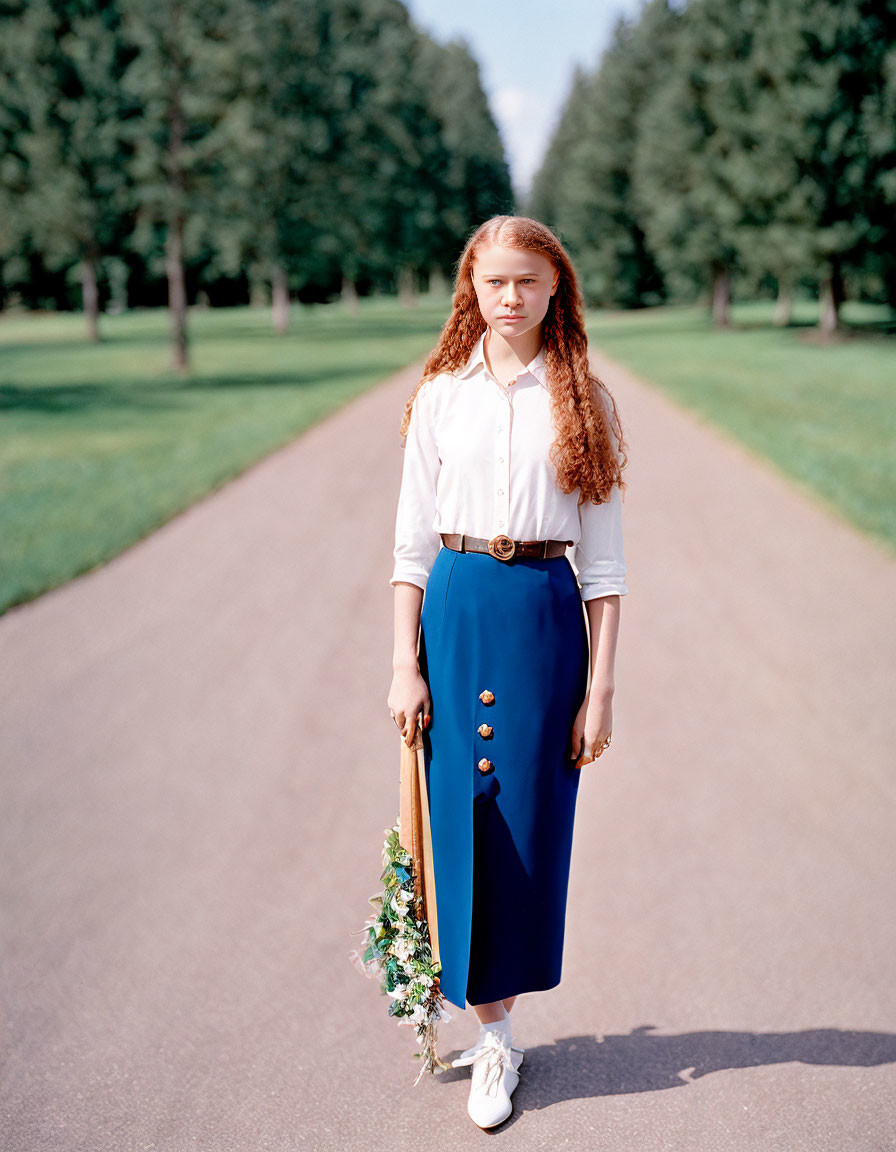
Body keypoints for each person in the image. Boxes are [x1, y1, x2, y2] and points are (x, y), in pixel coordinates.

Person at [387, 215, 627, 1129]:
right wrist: (401, 662)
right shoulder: (441, 396)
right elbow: (410, 544)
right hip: (453, 608)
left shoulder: (585, 402)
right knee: (461, 820)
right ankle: (490, 1030)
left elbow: (603, 570)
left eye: (529, 281)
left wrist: (599, 690)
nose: (512, 298)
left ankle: (498, 1035)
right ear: (472, 291)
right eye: (495, 284)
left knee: (527, 823)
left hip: (542, 618)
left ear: (554, 286)